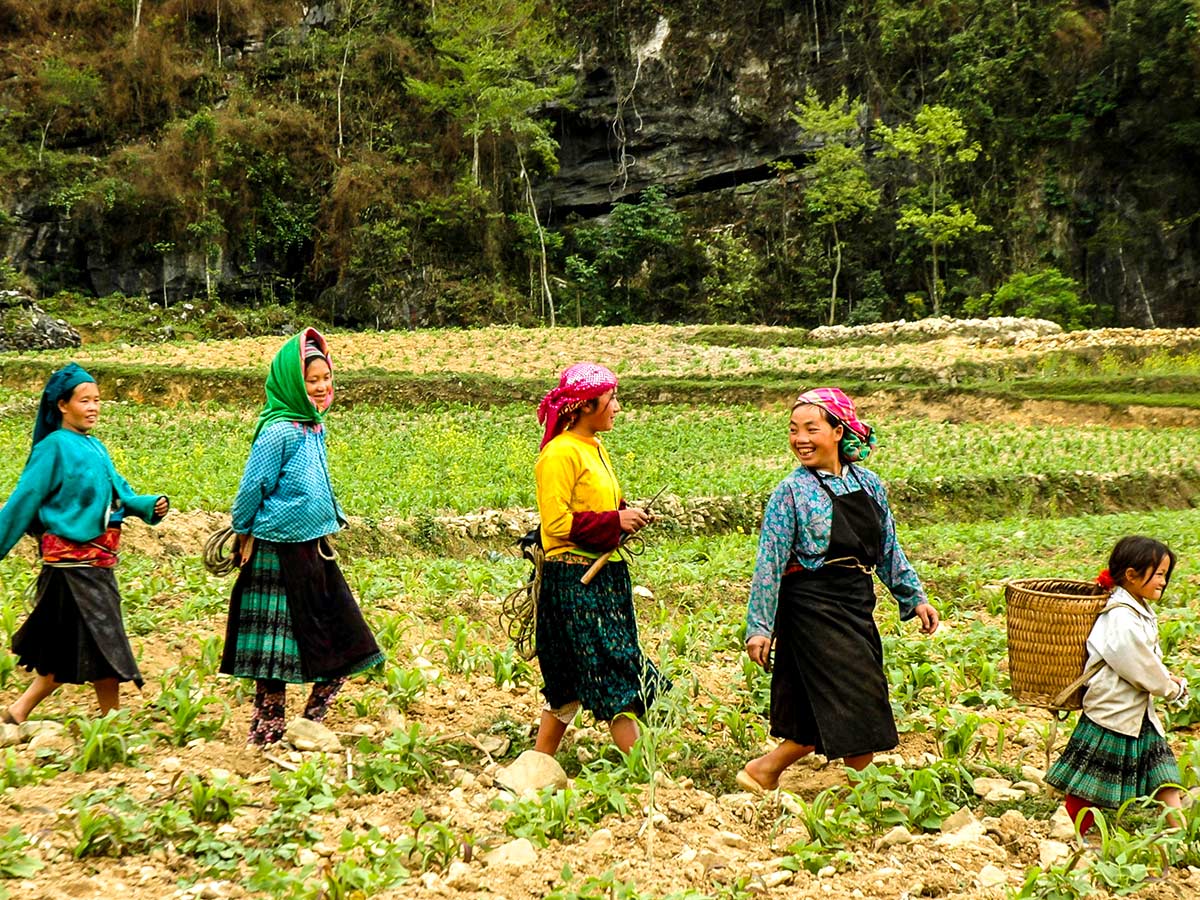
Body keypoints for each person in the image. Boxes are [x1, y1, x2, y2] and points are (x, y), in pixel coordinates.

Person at [739, 387, 939, 792]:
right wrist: (759, 626)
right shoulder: (790, 492)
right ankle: (865, 792)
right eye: (794, 430)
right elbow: (770, 562)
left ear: (838, 431)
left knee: (818, 707)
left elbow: (887, 548)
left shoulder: (869, 484)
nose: (800, 439)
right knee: (859, 694)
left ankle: (764, 771)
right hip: (810, 604)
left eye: (812, 429)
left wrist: (913, 596)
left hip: (854, 598)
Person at [220, 328, 383, 746]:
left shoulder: (313, 427)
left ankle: (311, 721)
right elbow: (251, 487)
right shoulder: (279, 431)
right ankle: (268, 730)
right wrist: (243, 533)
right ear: (294, 382)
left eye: (326, 378)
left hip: (314, 548)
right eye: (312, 380)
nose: (322, 386)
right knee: (273, 652)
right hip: (275, 548)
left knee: (347, 639)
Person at [0, 364, 169, 724]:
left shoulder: (96, 447)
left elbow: (119, 493)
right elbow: (24, 499)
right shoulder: (53, 448)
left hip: (96, 564)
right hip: (72, 566)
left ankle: (18, 712)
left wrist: (147, 504)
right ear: (62, 405)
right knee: (106, 644)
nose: (93, 407)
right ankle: (112, 726)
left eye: (97, 400)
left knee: (64, 647)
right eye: (84, 400)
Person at [532, 362, 671, 755]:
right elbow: (556, 523)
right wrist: (614, 520)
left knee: (572, 678)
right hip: (575, 583)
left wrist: (624, 515)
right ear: (585, 405)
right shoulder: (559, 454)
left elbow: (595, 505)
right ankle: (643, 769)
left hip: (601, 577)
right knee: (609, 672)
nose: (618, 407)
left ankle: (539, 763)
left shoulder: (593, 448)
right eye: (612, 400)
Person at [1045, 536, 1187, 835]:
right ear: (1132, 576)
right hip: (1113, 711)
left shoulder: (1136, 609)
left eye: (1165, 574)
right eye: (1158, 574)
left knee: (1165, 777)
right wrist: (1169, 688)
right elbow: (1137, 664)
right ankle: (1079, 836)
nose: (1164, 581)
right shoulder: (1120, 616)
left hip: (1135, 711)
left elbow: (1145, 660)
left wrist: (1164, 677)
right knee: (1087, 782)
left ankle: (1181, 838)